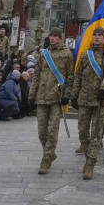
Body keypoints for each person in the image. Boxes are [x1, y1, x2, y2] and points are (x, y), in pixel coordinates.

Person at [71, 26, 104, 180]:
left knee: (96, 134)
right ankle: (86, 153)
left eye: (100, 35)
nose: (97, 37)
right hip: (84, 98)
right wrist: (74, 94)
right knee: (83, 131)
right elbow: (78, 76)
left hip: (100, 100)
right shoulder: (85, 55)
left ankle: (90, 164)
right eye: (95, 35)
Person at [32, 27, 75, 175]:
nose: (52, 38)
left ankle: (46, 158)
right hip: (42, 96)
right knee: (41, 132)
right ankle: (50, 153)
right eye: (51, 36)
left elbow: (70, 76)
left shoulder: (67, 54)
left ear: (60, 38)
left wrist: (67, 95)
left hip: (57, 97)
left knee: (52, 130)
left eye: (55, 36)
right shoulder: (44, 54)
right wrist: (32, 93)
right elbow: (36, 75)